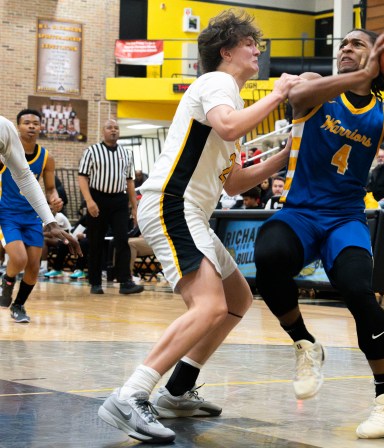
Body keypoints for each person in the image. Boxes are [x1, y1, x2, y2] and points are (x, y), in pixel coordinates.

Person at [97, 10, 302, 444]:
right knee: (207, 307)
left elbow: (233, 180)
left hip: (193, 211)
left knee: (236, 299)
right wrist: (280, 94)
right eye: (249, 43)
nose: (256, 50)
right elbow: (228, 125)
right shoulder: (216, 84)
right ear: (225, 51)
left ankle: (177, 390)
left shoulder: (231, 101)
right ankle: (131, 394)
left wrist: (286, 156)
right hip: (174, 204)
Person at [253, 28, 384, 439]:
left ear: (380, 59)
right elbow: (298, 98)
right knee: (267, 257)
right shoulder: (316, 87)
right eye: (344, 45)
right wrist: (365, 73)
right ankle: (305, 343)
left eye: (358, 44)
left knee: (358, 292)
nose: (346, 49)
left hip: (344, 219)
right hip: (299, 212)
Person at [0, 115, 81, 320]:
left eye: (35, 123)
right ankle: (8, 280)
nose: (31, 127)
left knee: (33, 265)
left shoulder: (5, 129)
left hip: (30, 215)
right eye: (27, 123)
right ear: (20, 126)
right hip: (8, 212)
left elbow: (27, 178)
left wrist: (50, 219)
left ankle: (18, 305)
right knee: (18, 259)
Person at [77, 119, 144, 295]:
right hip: (97, 199)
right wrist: (89, 201)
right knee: (95, 242)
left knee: (122, 240)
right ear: (103, 131)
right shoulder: (92, 151)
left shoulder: (127, 153)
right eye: (109, 127)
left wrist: (135, 208)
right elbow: (82, 177)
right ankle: (95, 282)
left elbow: (129, 181)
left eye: (116, 128)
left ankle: (125, 282)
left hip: (119, 201)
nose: (113, 130)